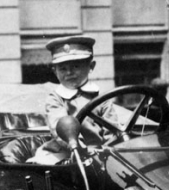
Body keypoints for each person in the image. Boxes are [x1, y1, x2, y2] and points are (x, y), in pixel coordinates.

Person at [31, 34, 120, 164]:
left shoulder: (101, 97)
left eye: (76, 67)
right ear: (54, 71)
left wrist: (109, 151)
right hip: (66, 152)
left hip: (100, 154)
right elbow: (60, 129)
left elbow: (113, 132)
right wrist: (81, 150)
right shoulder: (55, 98)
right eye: (62, 68)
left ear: (91, 66)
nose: (69, 73)